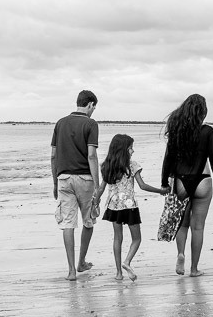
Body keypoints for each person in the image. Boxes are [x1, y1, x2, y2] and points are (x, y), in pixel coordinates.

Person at [161, 93, 213, 277]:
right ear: (203, 112)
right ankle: (194, 269)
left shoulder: (176, 130)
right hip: (202, 181)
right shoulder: (208, 132)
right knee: (198, 227)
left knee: (182, 225)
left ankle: (181, 254)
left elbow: (168, 159)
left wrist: (164, 182)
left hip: (181, 182)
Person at [96, 134, 169, 281]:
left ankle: (118, 273)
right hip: (130, 207)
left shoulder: (107, 165)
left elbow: (101, 188)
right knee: (137, 239)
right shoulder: (132, 165)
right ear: (123, 149)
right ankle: (127, 261)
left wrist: (95, 202)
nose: (133, 151)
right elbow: (142, 186)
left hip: (113, 206)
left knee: (117, 238)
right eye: (130, 148)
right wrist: (160, 191)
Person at [51, 89, 100, 281]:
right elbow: (91, 155)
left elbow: (53, 155)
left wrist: (55, 181)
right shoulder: (91, 124)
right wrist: (98, 185)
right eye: (94, 107)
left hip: (63, 178)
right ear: (90, 104)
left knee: (68, 223)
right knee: (88, 221)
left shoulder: (60, 123)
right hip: (85, 178)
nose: (93, 111)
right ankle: (81, 262)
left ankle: (71, 270)